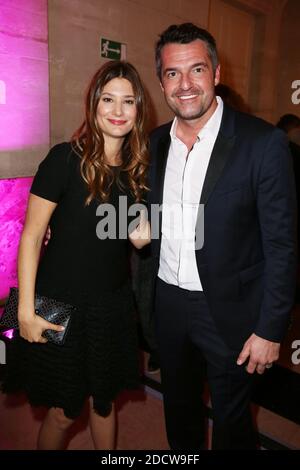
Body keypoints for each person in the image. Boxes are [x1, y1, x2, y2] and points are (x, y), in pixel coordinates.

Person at [148, 23, 297, 450]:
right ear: (162, 82)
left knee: (233, 423)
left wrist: (270, 330)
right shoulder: (155, 142)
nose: (186, 84)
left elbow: (282, 246)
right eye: (173, 74)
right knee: (179, 411)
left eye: (197, 70)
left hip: (231, 310)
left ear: (216, 73)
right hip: (170, 305)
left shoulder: (262, 143)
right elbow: (148, 219)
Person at [2, 60, 150, 450]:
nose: (118, 111)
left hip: (111, 305)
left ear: (139, 110)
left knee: (104, 402)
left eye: (128, 101)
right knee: (64, 409)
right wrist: (25, 311)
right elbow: (32, 237)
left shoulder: (134, 172)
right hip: (58, 301)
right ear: (93, 104)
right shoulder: (65, 159)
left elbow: (137, 239)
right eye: (108, 99)